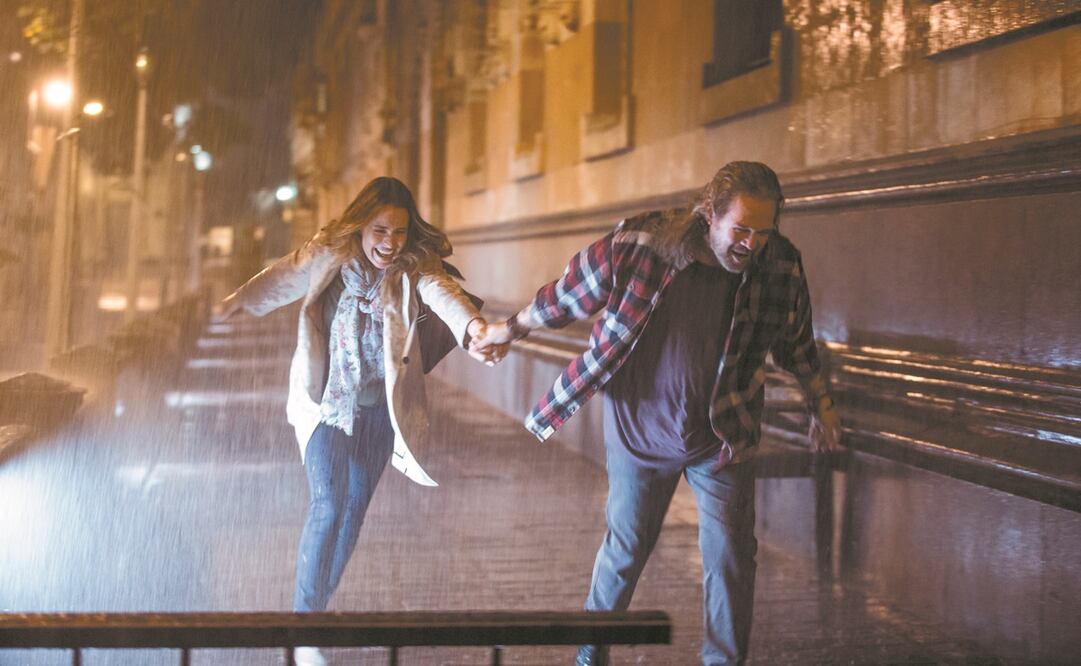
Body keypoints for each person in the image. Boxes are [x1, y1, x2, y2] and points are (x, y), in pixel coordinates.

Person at [471, 162, 842, 665]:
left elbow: (798, 343)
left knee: (732, 558)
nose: (751, 244)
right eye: (741, 229)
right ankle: (590, 655)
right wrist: (508, 330)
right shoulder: (642, 244)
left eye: (763, 231)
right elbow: (569, 295)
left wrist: (821, 406)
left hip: (720, 434)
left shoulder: (779, 264)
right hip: (639, 431)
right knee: (625, 551)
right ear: (710, 213)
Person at [216, 177, 504, 666]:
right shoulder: (329, 252)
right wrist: (235, 302)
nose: (389, 243)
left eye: (399, 232)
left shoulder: (415, 269)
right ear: (360, 226)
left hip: (378, 413)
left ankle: (315, 616)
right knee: (328, 504)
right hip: (326, 405)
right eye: (379, 231)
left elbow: (444, 293)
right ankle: (304, 630)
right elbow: (285, 275)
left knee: (351, 516)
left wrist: (474, 328)